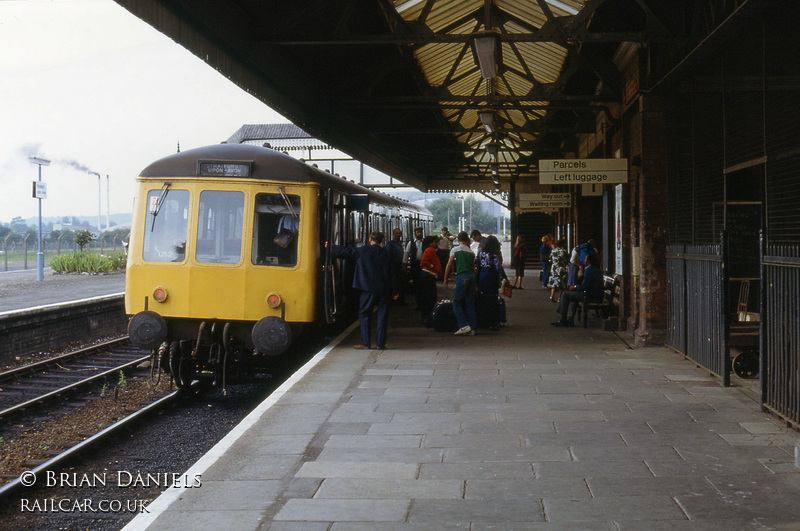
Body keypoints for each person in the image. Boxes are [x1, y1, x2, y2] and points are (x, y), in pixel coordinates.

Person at [330, 231, 391, 349]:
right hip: (383, 289)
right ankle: (380, 344)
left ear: (370, 239)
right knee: (382, 316)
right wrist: (394, 290)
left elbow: (345, 252)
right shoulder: (386, 253)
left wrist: (331, 247)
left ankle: (365, 343)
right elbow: (392, 272)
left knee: (364, 314)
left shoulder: (363, 250)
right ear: (381, 241)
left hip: (367, 288)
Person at [552, 253, 603, 327]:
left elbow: (584, 286)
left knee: (565, 294)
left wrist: (575, 287)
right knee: (573, 296)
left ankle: (563, 318)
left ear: (588, 261)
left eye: (585, 259)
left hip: (590, 295)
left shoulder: (589, 270)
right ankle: (570, 319)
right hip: (595, 294)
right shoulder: (595, 269)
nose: (584, 260)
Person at [444, 231, 477, 336]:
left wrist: (445, 278)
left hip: (462, 277)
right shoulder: (471, 253)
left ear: (458, 240)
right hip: (471, 277)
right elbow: (473, 268)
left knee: (457, 302)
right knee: (470, 303)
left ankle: (463, 325)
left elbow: (449, 264)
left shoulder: (455, 249)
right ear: (467, 240)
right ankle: (473, 328)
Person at [475, 234, 507, 330]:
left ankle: (482, 321)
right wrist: (504, 278)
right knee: (492, 299)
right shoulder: (494, 255)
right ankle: (493, 322)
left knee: (483, 298)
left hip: (482, 276)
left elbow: (476, 264)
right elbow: (499, 268)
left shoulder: (480, 254)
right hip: (491, 277)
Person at [418, 235, 442, 326]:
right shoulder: (430, 250)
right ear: (430, 243)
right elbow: (423, 261)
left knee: (428, 297)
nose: (437, 244)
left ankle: (426, 317)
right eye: (435, 242)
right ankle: (427, 317)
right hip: (428, 275)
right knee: (429, 297)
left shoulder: (431, 250)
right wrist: (432, 266)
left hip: (427, 275)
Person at [403, 226, 425, 307]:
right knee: (416, 284)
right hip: (415, 266)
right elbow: (406, 253)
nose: (419, 233)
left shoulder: (425, 242)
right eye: (418, 232)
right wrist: (404, 264)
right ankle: (418, 302)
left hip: (424, 266)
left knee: (423, 284)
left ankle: (423, 301)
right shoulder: (411, 243)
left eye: (420, 232)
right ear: (415, 233)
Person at [386, 228, 406, 304]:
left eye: (399, 233)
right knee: (394, 283)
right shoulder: (390, 244)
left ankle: (400, 300)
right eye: (396, 233)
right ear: (393, 234)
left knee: (399, 283)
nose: (398, 234)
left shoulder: (399, 243)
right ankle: (394, 300)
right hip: (393, 266)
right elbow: (388, 256)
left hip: (399, 265)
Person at [547, 238, 569, 302]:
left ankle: (552, 295)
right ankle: (559, 298)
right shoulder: (564, 251)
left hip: (554, 268)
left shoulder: (553, 251)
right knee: (561, 283)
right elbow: (566, 260)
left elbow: (550, 260)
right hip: (561, 268)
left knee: (554, 282)